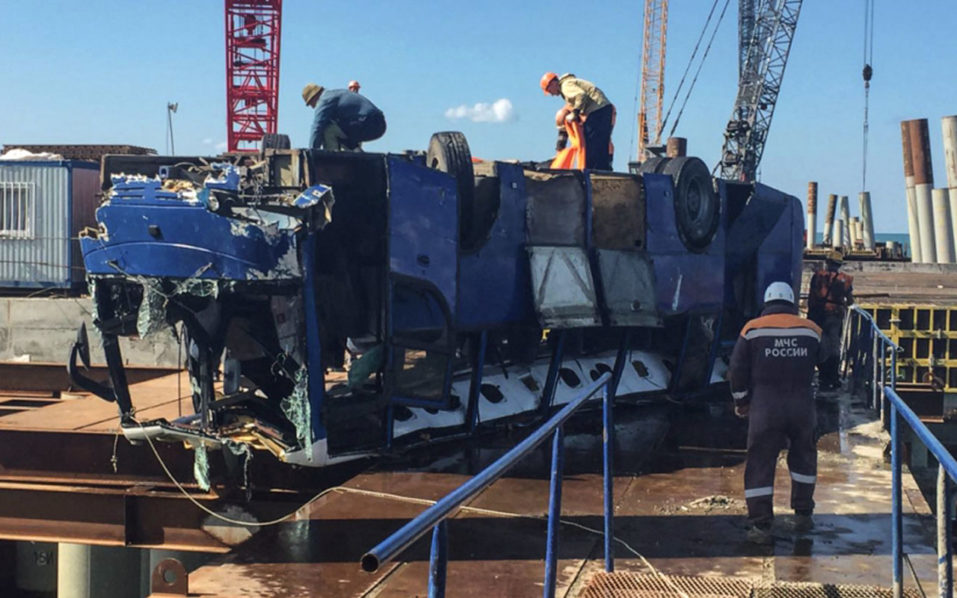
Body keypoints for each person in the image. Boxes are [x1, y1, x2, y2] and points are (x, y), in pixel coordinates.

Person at [729, 281, 822, 545]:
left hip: (765, 407)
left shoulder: (751, 329)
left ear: (766, 301)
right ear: (791, 301)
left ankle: (760, 525)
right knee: (804, 458)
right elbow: (827, 357)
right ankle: (803, 514)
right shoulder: (812, 330)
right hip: (802, 407)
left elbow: (736, 369)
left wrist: (741, 401)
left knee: (760, 461)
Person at [540, 72, 614, 170]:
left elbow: (580, 95)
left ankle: (594, 171)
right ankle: (602, 169)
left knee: (591, 144)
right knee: (599, 143)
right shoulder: (570, 85)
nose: (552, 94)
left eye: (549, 91)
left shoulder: (566, 86)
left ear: (553, 84)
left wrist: (575, 112)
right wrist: (560, 149)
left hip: (598, 111)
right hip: (603, 109)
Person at [807, 250, 854, 391]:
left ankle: (820, 375)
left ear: (827, 263)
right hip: (834, 316)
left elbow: (811, 296)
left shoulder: (817, 276)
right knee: (834, 347)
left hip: (816, 316)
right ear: (839, 265)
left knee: (817, 345)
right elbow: (850, 300)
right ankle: (832, 377)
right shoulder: (845, 279)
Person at [302, 83, 386, 151]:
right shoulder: (336, 93)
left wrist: (312, 152)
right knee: (340, 131)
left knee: (328, 129)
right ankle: (354, 151)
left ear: (314, 97)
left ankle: (330, 160)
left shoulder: (324, 99)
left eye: (310, 103)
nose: (312, 107)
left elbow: (317, 127)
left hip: (366, 122)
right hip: (379, 124)